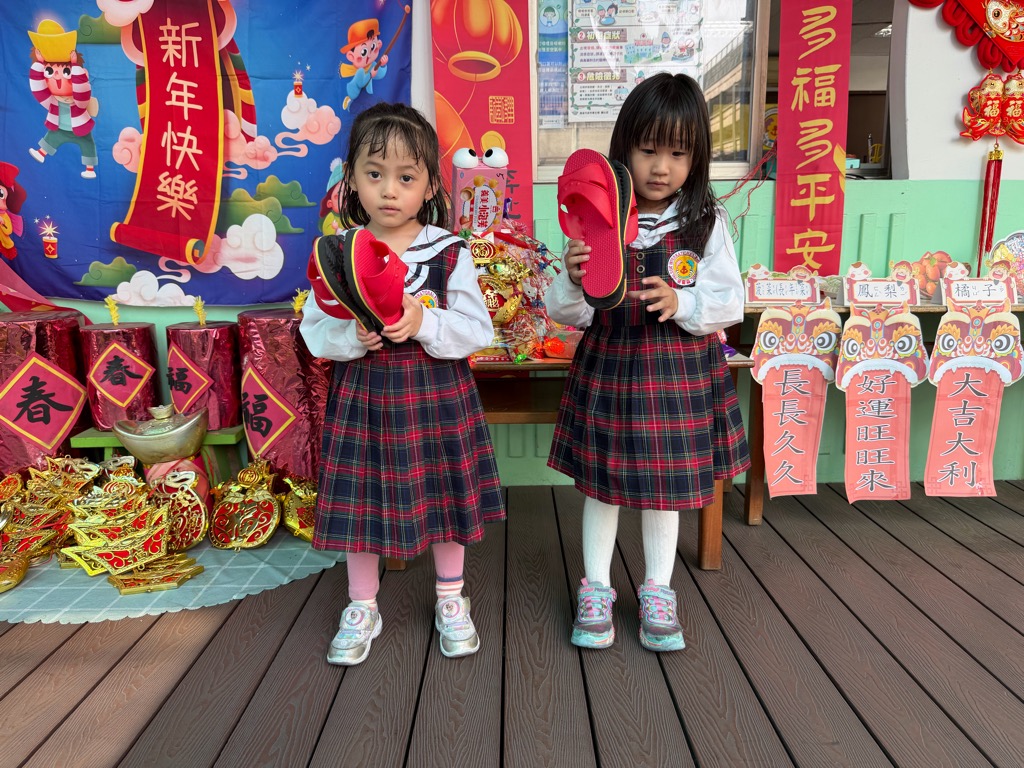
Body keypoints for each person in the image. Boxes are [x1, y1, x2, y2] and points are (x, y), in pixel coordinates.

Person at [547, 72, 749, 652]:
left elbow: (729, 302)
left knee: (668, 486)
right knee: (603, 486)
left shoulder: (705, 222)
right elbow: (565, 311)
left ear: (697, 156)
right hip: (611, 366)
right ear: (624, 149)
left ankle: (658, 588)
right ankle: (596, 587)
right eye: (648, 150)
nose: (661, 167)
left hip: (678, 377)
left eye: (678, 153)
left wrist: (684, 302)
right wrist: (575, 277)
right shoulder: (598, 220)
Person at [300, 102, 505, 666]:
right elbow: (315, 332)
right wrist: (351, 337)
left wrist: (424, 322)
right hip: (364, 400)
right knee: (361, 501)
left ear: (430, 185)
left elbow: (477, 329)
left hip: (437, 399)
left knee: (445, 494)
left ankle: (451, 598)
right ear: (352, 179)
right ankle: (362, 604)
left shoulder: (448, 252)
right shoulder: (337, 253)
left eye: (406, 177)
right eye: (375, 173)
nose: (389, 190)